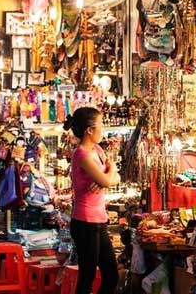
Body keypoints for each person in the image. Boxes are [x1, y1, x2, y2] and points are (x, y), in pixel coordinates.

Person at [64, 107, 120, 294]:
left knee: (112, 276)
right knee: (87, 277)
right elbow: (109, 179)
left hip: (99, 221)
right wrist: (108, 173)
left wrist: (107, 177)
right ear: (89, 130)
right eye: (100, 126)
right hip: (84, 222)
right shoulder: (81, 155)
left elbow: (116, 178)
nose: (102, 130)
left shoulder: (97, 149)